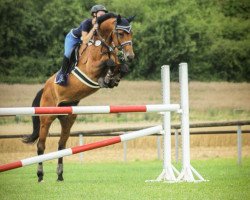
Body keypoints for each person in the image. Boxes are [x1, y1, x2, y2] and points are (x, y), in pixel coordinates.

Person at [55, 5, 108, 85]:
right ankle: (62, 75)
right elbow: (85, 40)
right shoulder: (86, 23)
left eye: (104, 14)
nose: (103, 16)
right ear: (94, 14)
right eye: (101, 14)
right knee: (68, 53)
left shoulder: (101, 25)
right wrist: (93, 29)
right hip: (73, 38)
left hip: (85, 39)